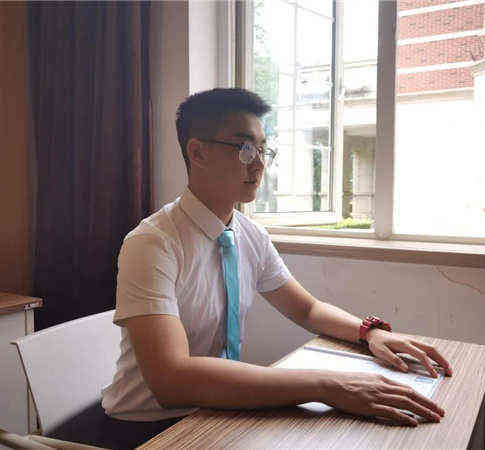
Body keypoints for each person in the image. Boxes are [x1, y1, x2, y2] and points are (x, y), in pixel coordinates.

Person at [99, 88, 453, 446]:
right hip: (144, 429)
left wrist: (371, 333)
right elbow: (171, 381)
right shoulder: (152, 243)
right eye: (244, 147)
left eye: (262, 149)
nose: (259, 164)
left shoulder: (249, 235)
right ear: (198, 152)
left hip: (212, 413)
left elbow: (308, 309)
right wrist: (327, 385)